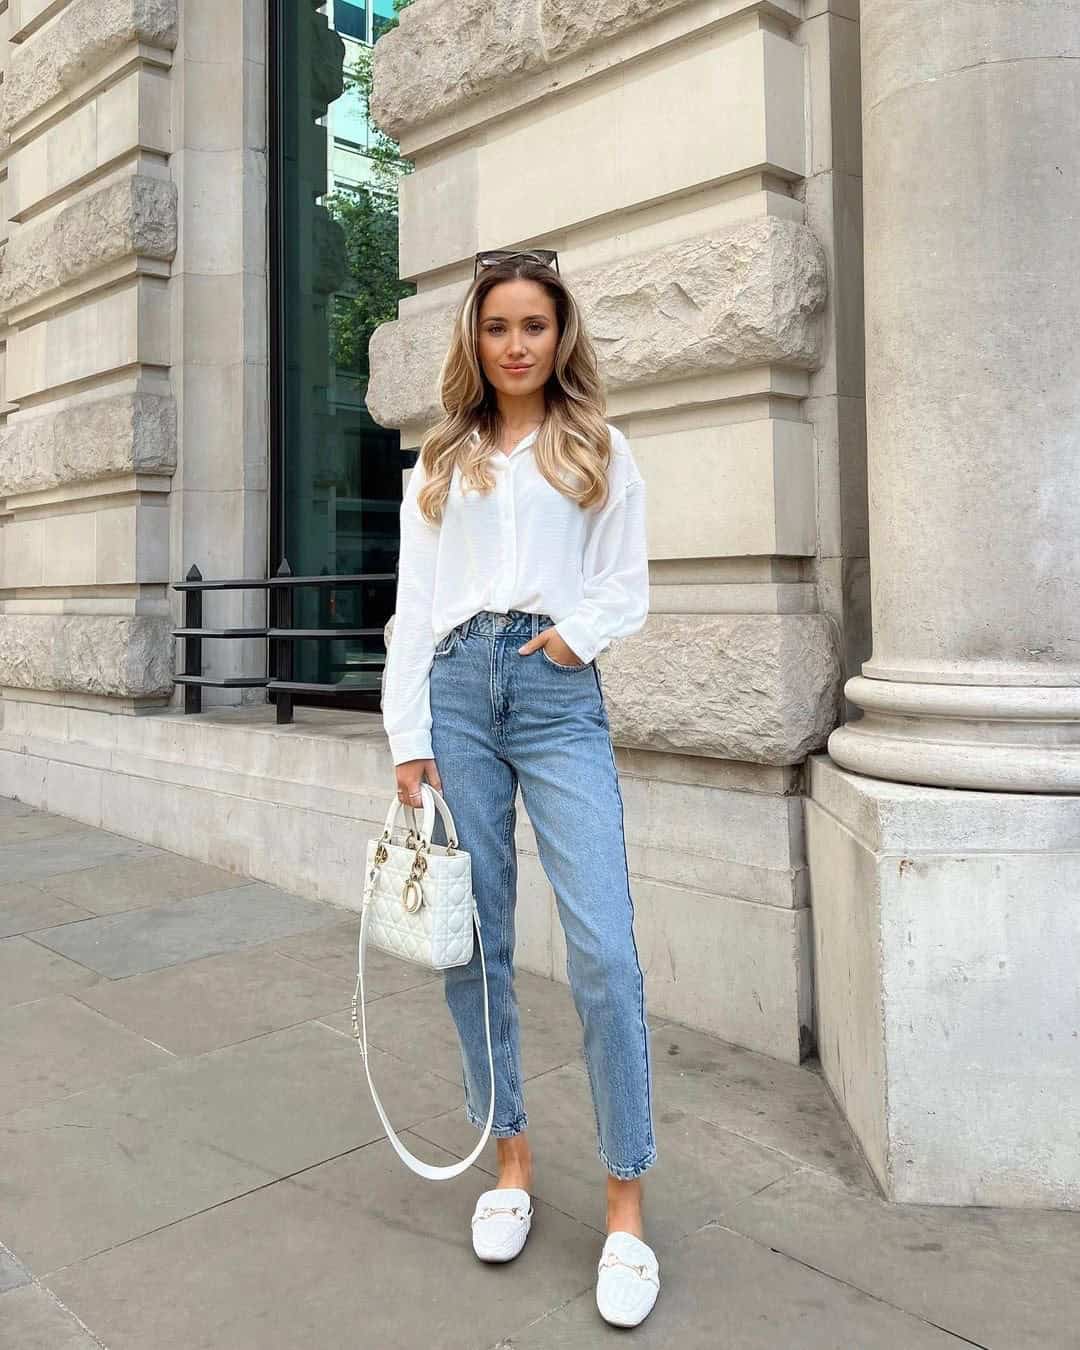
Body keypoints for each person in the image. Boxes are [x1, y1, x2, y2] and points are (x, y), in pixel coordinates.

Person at [379, 247, 660, 1328]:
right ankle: (511, 1160)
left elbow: (623, 585)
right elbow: (413, 607)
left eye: (533, 325)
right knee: (475, 938)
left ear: (560, 336)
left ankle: (625, 1200)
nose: (515, 344)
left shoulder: (599, 448)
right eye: (497, 326)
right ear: (476, 340)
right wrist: (408, 736)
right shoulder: (440, 463)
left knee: (603, 946)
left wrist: (567, 644)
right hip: (456, 689)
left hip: (553, 692)